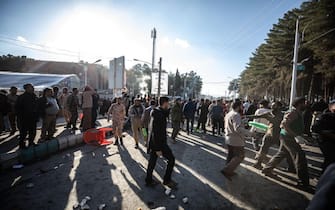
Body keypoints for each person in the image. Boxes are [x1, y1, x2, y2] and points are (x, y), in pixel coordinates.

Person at [262, 97, 310, 187]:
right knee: (300, 157)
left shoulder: (298, 112)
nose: (306, 104)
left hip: (288, 137)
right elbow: (283, 124)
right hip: (288, 138)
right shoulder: (293, 113)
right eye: (304, 103)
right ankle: (303, 182)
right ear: (300, 104)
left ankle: (267, 169)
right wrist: (296, 136)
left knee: (281, 154)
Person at [248, 102, 294, 171]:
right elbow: (257, 116)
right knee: (263, 150)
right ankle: (259, 164)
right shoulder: (269, 114)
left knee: (286, 151)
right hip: (270, 135)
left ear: (279, 107)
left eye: (274, 106)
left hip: (278, 136)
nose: (272, 108)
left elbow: (287, 124)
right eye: (272, 106)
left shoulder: (283, 115)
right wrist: (245, 116)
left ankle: (291, 167)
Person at [145, 97, 177, 188]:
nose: (169, 104)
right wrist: (157, 148)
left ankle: (148, 180)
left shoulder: (158, 112)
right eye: (168, 103)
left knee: (152, 162)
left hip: (155, 142)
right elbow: (155, 132)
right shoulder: (157, 114)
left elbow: (165, 114)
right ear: (165, 103)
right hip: (158, 143)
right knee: (171, 159)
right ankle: (166, 180)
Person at [221, 100, 255, 180]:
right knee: (240, 156)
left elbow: (232, 124)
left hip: (229, 138)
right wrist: (250, 133)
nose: (242, 107)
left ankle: (228, 169)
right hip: (236, 139)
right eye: (241, 106)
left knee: (231, 155)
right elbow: (238, 128)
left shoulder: (229, 114)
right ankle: (227, 170)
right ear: (238, 106)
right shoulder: (236, 115)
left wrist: (242, 122)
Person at [312, 99, 335, 172]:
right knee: (330, 159)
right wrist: (327, 133)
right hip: (326, 141)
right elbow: (315, 128)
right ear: (330, 106)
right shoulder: (325, 116)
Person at [16, 84, 38, 148]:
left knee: (33, 131)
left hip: (33, 118)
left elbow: (36, 106)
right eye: (31, 87)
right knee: (23, 132)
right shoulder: (22, 97)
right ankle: (22, 145)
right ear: (26, 89)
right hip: (24, 118)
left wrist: (36, 115)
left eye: (33, 87)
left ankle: (31, 142)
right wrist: (21, 116)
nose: (33, 88)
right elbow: (17, 108)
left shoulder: (34, 96)